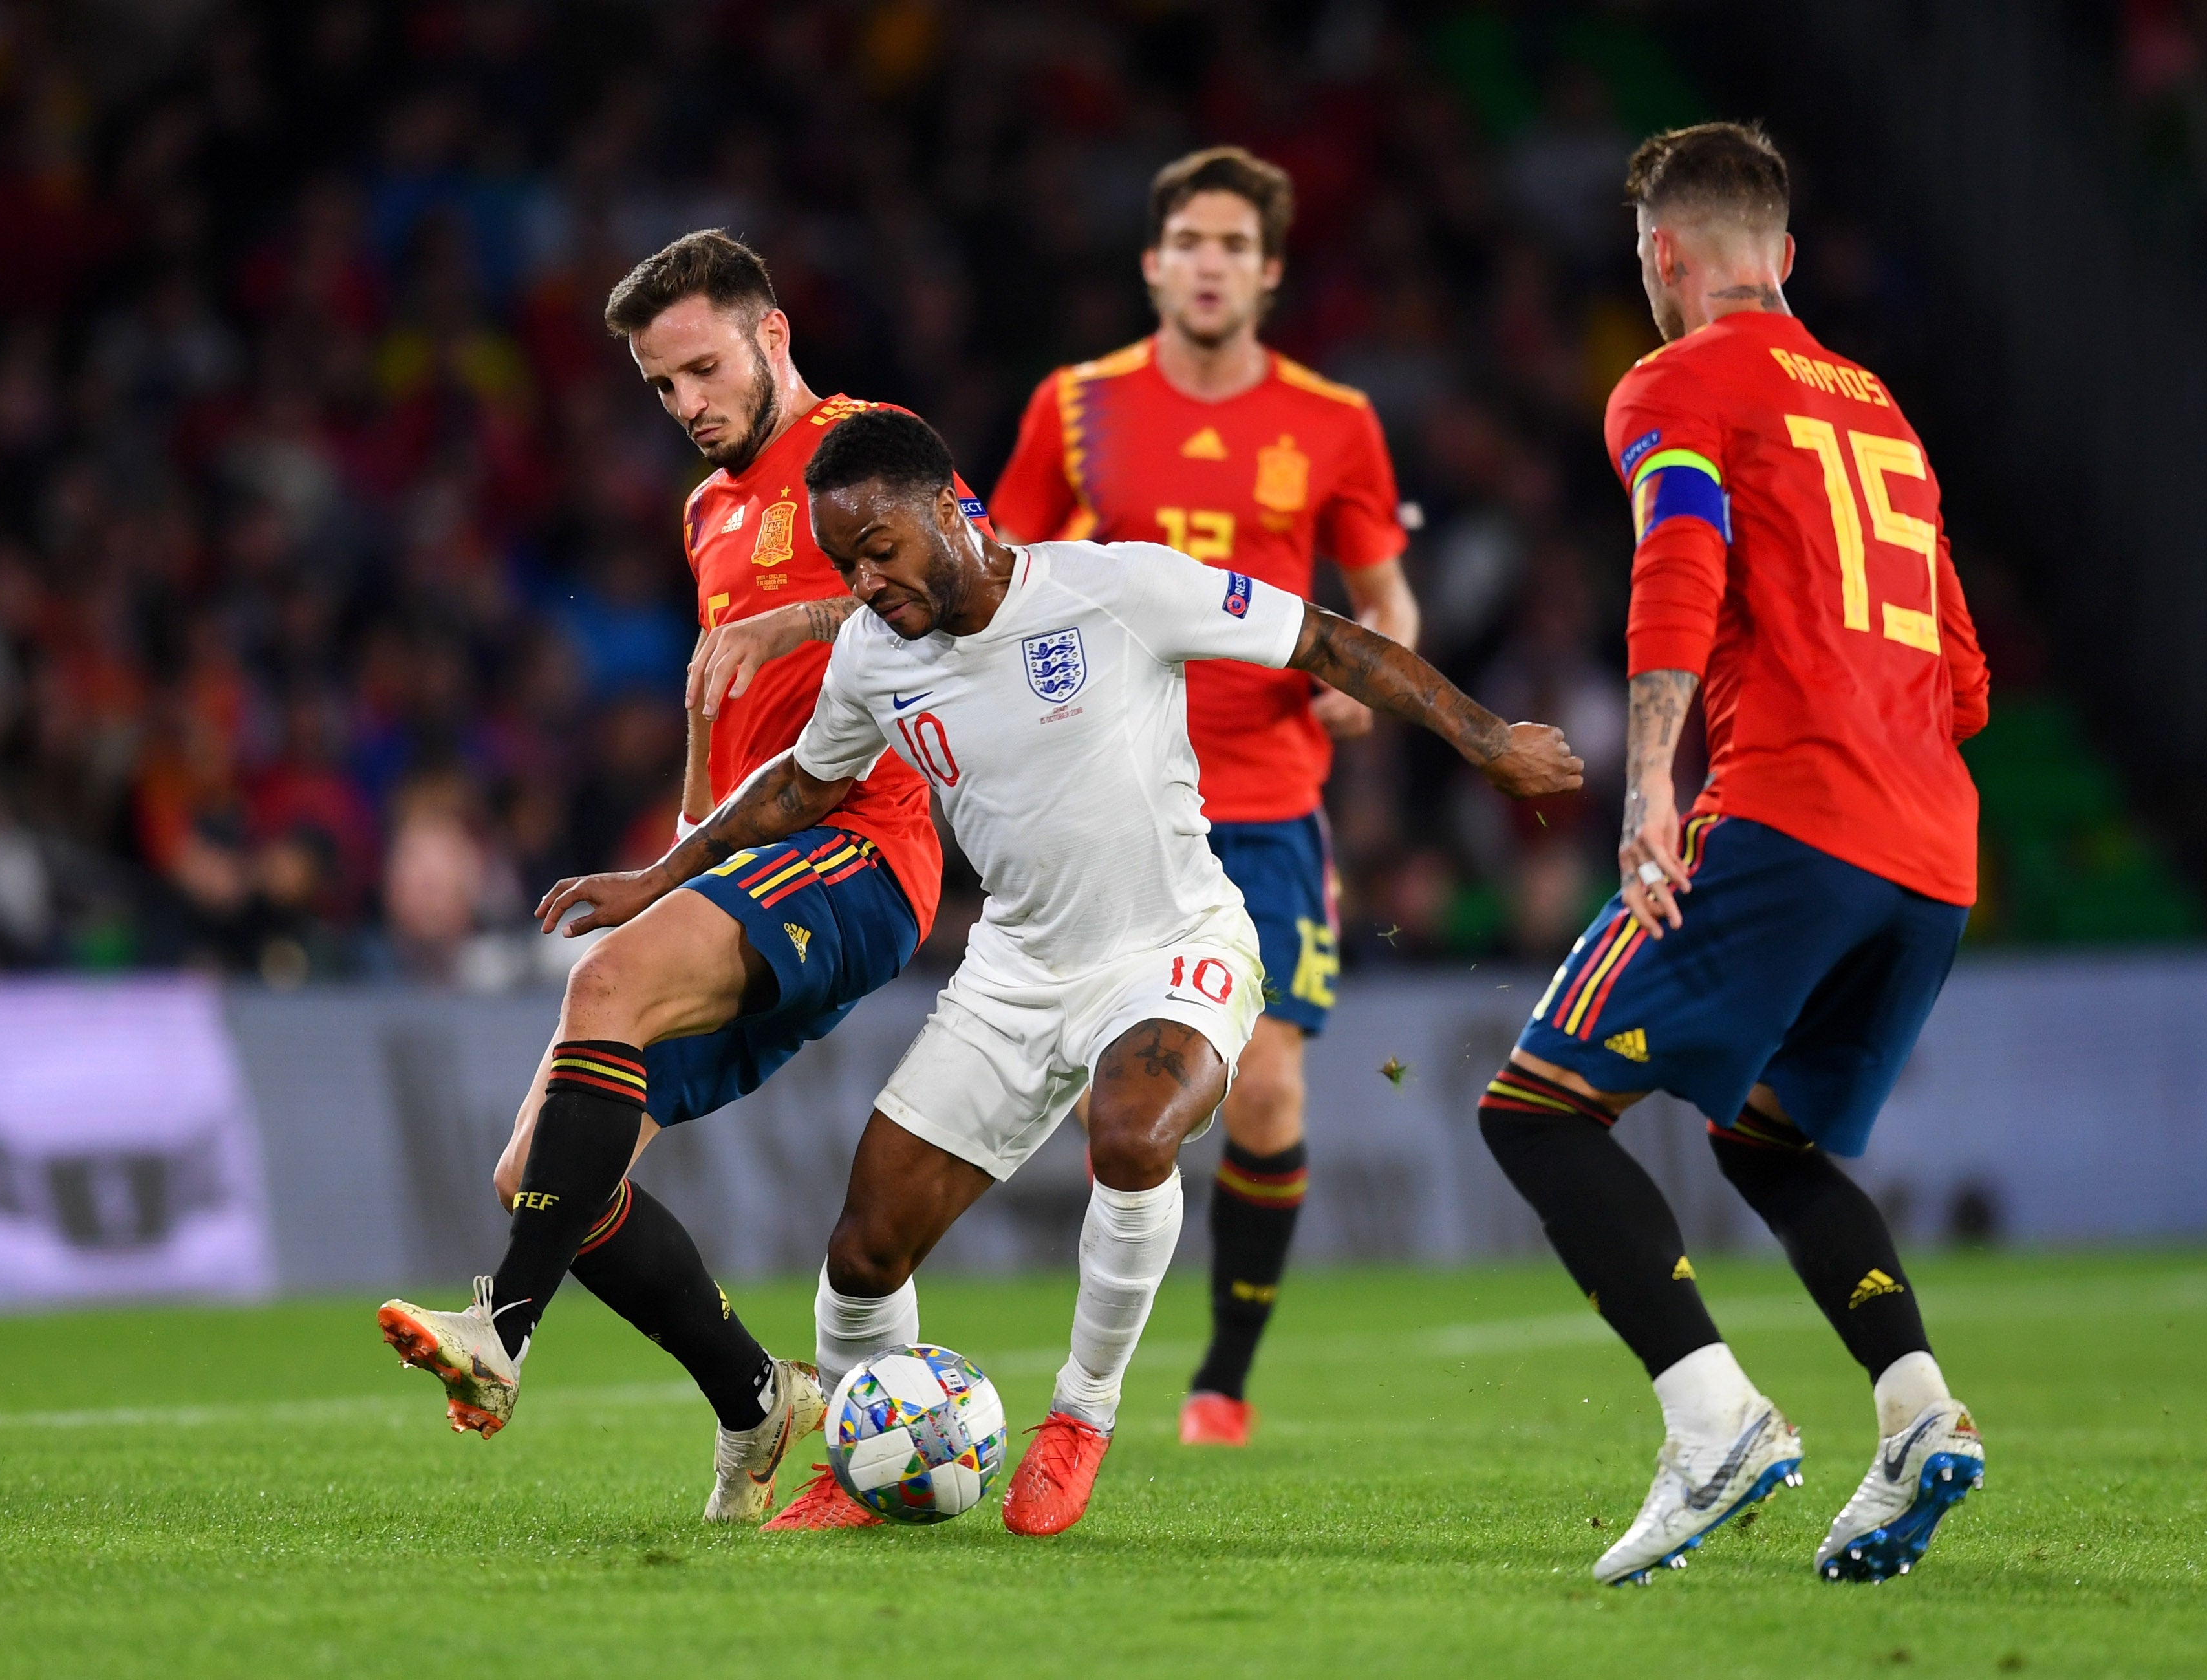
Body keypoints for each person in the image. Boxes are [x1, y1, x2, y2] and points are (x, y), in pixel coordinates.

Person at [536, 407, 1582, 1537]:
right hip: (1018, 968)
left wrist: (1488, 742)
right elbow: (801, 786)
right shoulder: (874, 656)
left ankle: (1080, 1416)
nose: (866, 582)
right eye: (845, 564)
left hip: (1175, 943)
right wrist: (657, 878)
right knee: (863, 1245)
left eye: (879, 550)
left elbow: (1324, 638)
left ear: (947, 507)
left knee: (1131, 1131)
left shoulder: (1113, 587)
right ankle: (863, 1453)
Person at [374, 231, 987, 1525]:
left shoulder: (873, 441)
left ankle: (499, 1330)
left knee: (602, 986)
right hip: (751, 858)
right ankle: (758, 1400)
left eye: (702, 370)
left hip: (867, 844)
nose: (687, 407)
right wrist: (665, 863)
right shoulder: (707, 510)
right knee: (542, 1172)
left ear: (770, 336)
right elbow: (725, 726)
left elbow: (971, 584)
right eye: (661, 388)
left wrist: (799, 619)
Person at [1474, 123, 1992, 1586]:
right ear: (1789, 254)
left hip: (1792, 812)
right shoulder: (1882, 410)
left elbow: (1679, 557)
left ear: (1664, 257)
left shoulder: (1672, 379)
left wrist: (1652, 784)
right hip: (1934, 850)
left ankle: (1714, 1420)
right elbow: (1964, 673)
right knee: (1767, 1134)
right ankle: (1915, 1411)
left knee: (1536, 1108)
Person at [991, 146, 1420, 1447]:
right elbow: (1002, 577)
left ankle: (1222, 1377)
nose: (1213, 262)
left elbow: (1386, 595)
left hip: (1269, 795)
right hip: (1110, 801)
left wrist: (1370, 674)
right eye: (1192, 240)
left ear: (1270, 271)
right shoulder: (1075, 406)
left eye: (1238, 244)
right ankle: (1086, 1358)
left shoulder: (1335, 421)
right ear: (1153, 263)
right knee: (1115, 1097)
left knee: (1269, 1093)